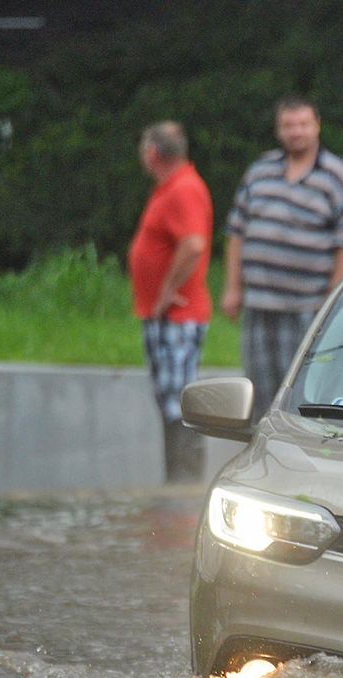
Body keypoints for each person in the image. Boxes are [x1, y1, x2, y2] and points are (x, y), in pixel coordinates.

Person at [222, 95, 343, 423]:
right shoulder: (261, 170)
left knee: (301, 391)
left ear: (317, 126)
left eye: (303, 124)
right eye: (289, 125)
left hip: (307, 306)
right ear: (278, 130)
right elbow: (236, 232)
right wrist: (233, 287)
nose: (296, 132)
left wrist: (332, 301)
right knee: (258, 390)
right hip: (259, 303)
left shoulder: (338, 175)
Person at [128, 121, 213, 483]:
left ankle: (184, 485)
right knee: (170, 401)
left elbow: (193, 244)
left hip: (178, 315)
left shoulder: (183, 189)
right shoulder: (172, 188)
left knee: (179, 403)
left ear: (151, 153)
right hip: (167, 316)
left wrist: (166, 290)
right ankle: (175, 482)